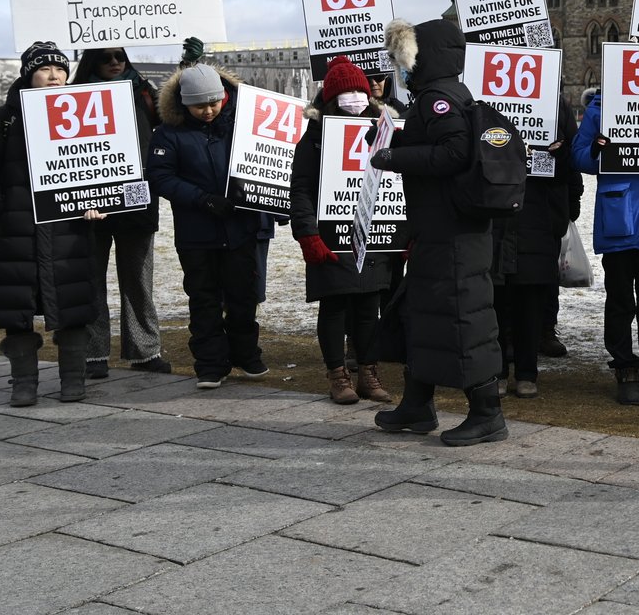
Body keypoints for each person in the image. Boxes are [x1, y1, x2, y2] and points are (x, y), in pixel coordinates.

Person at [369, 16, 509, 445]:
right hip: (442, 227)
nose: (402, 66)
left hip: (453, 232)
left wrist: (393, 158)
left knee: (463, 318)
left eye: (407, 57)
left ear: (424, 56)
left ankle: (488, 413)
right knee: (423, 314)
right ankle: (417, 404)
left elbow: (452, 154)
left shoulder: (439, 98)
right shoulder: (443, 93)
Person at [0, 42, 100, 406]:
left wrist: (98, 203)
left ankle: (73, 379)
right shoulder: (3, 119)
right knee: (16, 307)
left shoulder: (83, 114)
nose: (54, 76)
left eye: (60, 69)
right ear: (29, 73)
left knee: (72, 305)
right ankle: (24, 381)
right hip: (16, 229)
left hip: (68, 229)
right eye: (45, 69)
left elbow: (99, 162)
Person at [149, 63, 269, 390]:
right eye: (200, 105)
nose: (208, 110)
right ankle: (211, 364)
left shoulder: (245, 124)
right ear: (184, 104)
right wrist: (202, 199)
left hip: (240, 226)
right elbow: (161, 177)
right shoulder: (168, 134)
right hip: (196, 232)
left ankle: (246, 353)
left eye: (214, 102)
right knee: (203, 298)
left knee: (243, 295)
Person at [288, 56, 397, 405]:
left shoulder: (385, 131)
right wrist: (307, 234)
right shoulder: (314, 138)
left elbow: (399, 183)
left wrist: (401, 233)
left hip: (374, 230)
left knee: (369, 307)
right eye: (346, 94)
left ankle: (367, 371)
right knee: (334, 307)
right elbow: (301, 188)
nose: (354, 99)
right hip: (330, 235)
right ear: (332, 99)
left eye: (358, 92)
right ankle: (338, 374)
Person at [573, 89, 639, 406]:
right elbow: (578, 156)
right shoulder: (599, 109)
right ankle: (624, 369)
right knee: (620, 301)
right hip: (620, 218)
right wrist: (596, 149)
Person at [68, 46, 171, 378]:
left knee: (138, 279)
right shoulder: (71, 98)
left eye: (120, 57)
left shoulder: (144, 92)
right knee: (90, 279)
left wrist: (186, 69)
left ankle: (144, 351)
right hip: (88, 199)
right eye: (105, 58)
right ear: (91, 63)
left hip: (135, 196)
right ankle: (93, 353)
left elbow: (177, 116)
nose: (114, 63)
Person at [498, 95, 583, 398]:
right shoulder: (483, 101)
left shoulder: (556, 105)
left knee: (531, 302)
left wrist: (569, 206)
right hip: (497, 217)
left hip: (539, 219)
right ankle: (497, 371)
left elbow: (572, 162)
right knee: (497, 301)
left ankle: (525, 373)